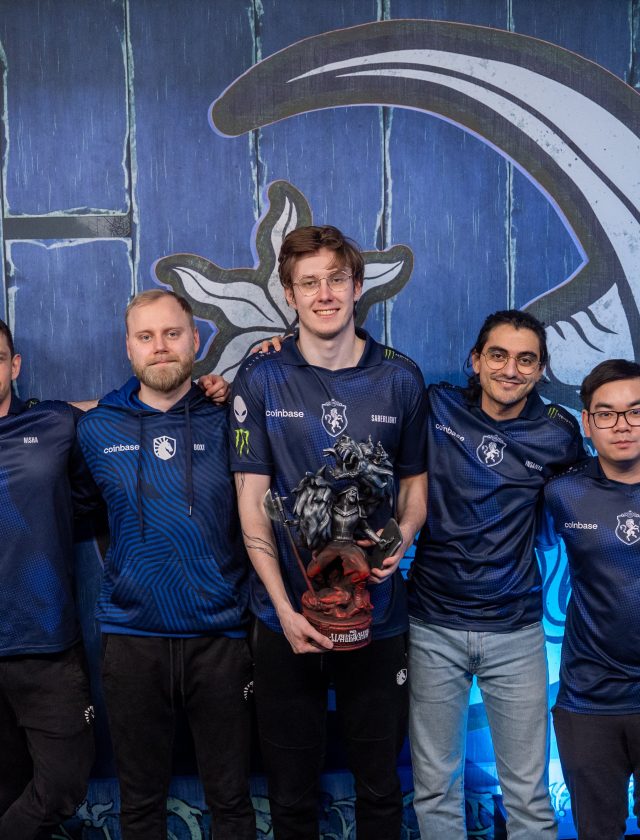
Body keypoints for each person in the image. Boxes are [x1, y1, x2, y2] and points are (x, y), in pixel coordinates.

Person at [229, 225, 427, 839]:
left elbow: (415, 489)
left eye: (336, 279)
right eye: (309, 283)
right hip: (286, 618)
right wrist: (284, 610)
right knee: (290, 796)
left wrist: (403, 536)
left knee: (381, 787)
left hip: (378, 616)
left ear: (358, 286)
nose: (325, 294)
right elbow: (251, 500)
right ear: (290, 294)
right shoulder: (261, 377)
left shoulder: (400, 377)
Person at [76, 290, 255, 840]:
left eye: (172, 334)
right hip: (132, 639)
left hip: (220, 637)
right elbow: (85, 512)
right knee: (139, 806)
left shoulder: (230, 418)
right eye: (146, 336)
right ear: (128, 348)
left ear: (195, 340)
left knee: (231, 801)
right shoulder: (96, 428)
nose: (160, 347)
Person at [408, 310, 586, 840]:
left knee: (528, 794)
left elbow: (580, 503)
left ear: (541, 369)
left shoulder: (558, 433)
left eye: (526, 359)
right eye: (499, 355)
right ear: (476, 360)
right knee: (435, 788)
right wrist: (279, 347)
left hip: (516, 629)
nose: (511, 369)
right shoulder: (436, 406)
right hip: (432, 624)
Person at [0, 319, 97, 839]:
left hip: (46, 643)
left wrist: (210, 387)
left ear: (14, 366)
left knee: (62, 784)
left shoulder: (54, 423)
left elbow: (130, 409)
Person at [539, 359, 640, 840]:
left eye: (635, 411)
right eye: (606, 413)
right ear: (586, 421)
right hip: (590, 700)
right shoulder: (563, 492)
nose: (622, 425)